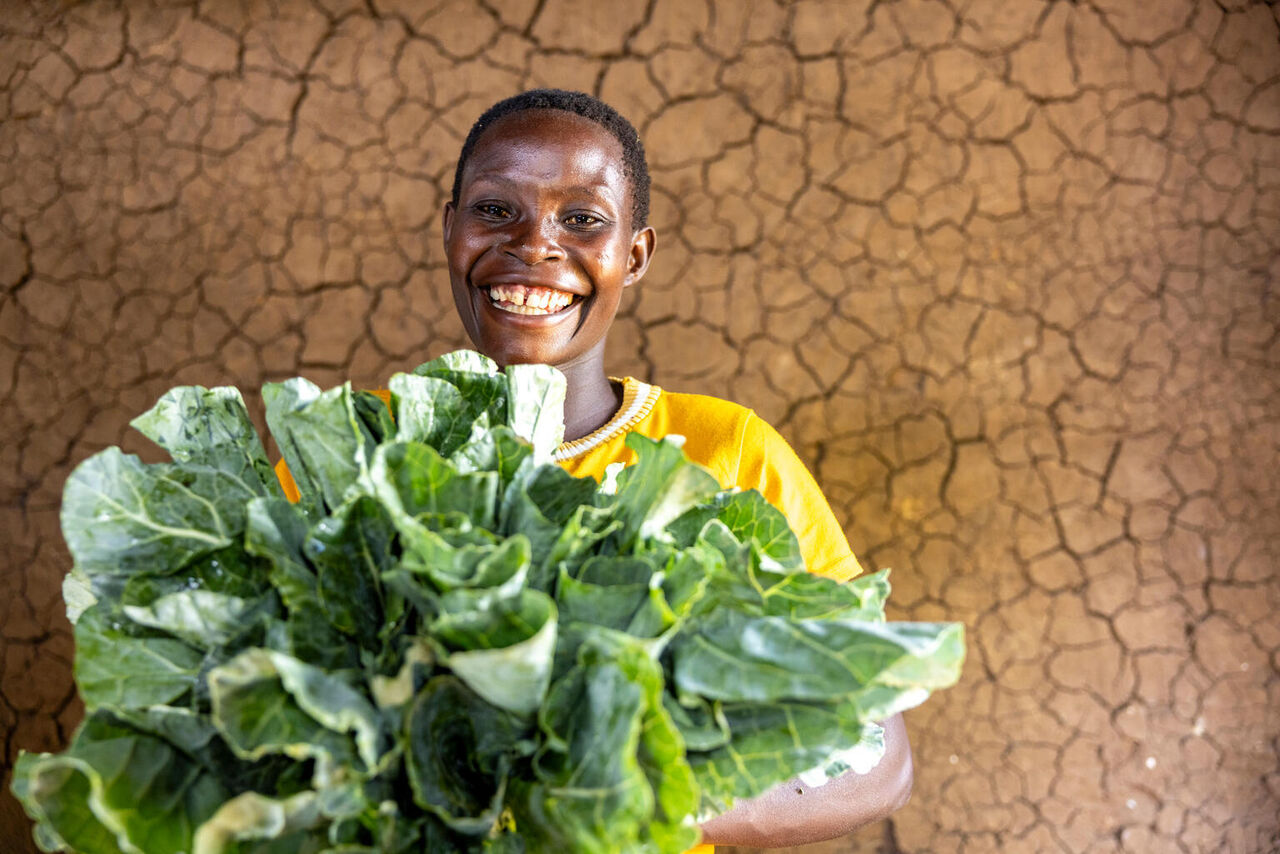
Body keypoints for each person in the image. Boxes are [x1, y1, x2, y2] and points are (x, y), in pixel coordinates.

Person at [441, 88, 913, 851]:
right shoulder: (357, 454)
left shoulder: (727, 451)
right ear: (451, 229)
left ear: (634, 256)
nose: (535, 245)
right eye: (495, 210)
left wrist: (613, 795)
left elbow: (877, 759)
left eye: (583, 219)